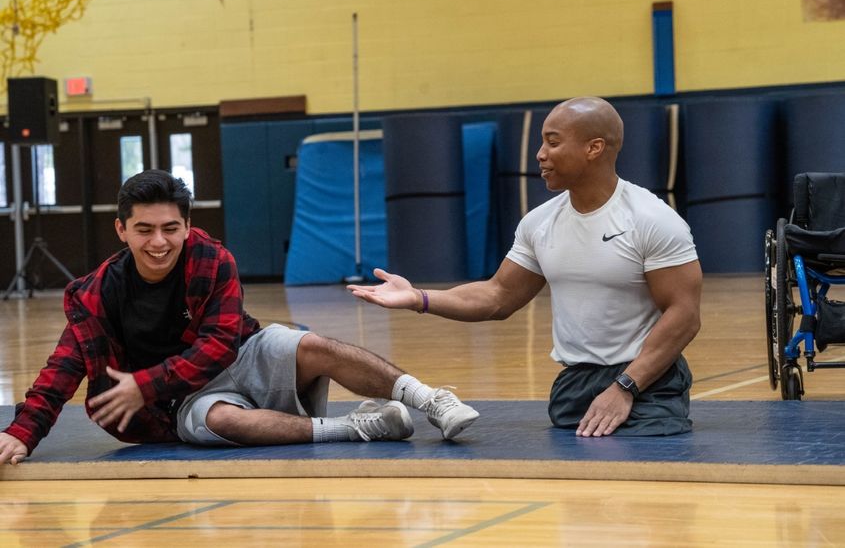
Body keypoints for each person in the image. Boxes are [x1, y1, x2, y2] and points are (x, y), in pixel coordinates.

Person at [0, 170, 479, 465]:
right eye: (143, 230)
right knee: (222, 422)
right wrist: (22, 434)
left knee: (313, 345)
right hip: (177, 402)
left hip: (237, 355)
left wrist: (143, 382)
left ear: (187, 225)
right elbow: (63, 368)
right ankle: (359, 427)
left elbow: (220, 343)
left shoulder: (213, 259)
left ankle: (431, 400)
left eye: (170, 228)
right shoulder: (98, 292)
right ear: (121, 229)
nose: (158, 242)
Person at [349, 97, 702, 437]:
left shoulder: (652, 219)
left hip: (647, 378)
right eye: (542, 142)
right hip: (576, 381)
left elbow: (684, 315)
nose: (540, 154)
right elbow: (498, 295)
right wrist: (418, 298)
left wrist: (625, 387)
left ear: (593, 148)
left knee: (643, 451)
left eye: (553, 142)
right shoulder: (540, 223)